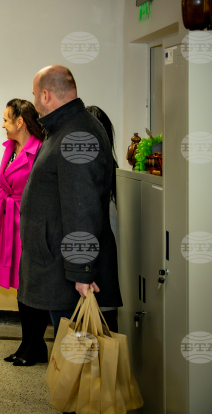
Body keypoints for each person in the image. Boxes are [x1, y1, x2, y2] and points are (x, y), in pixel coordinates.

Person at [20, 65, 122, 340]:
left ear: (45, 95)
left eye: (34, 95)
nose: (34, 102)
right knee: (69, 352)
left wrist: (82, 270)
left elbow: (82, 207)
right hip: (59, 265)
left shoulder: (76, 135)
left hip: (69, 273)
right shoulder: (64, 128)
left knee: (77, 354)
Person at [0, 99, 47, 366]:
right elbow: (4, 185)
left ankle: (35, 345)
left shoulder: (41, 150)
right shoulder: (10, 148)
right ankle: (27, 344)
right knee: (21, 286)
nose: (3, 125)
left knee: (32, 285)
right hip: (10, 221)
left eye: (6, 119)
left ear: (20, 122)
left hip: (31, 224)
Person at [85, 105, 120, 332]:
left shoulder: (104, 168)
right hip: (103, 247)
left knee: (102, 317)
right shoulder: (111, 166)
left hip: (100, 248)